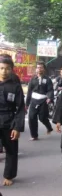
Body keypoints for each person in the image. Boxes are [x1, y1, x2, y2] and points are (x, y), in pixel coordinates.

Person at [0, 56, 25, 186]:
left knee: (11, 150)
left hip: (9, 121)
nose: (4, 71)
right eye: (2, 68)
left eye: (7, 69)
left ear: (12, 70)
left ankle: (9, 175)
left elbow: (20, 108)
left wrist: (17, 127)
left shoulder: (15, 87)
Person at [26, 61, 54, 141]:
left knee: (42, 118)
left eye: (41, 67)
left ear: (44, 69)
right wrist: (27, 104)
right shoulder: (32, 79)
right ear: (36, 69)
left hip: (43, 101)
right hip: (34, 101)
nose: (39, 69)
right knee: (31, 118)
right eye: (38, 67)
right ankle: (34, 135)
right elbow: (29, 92)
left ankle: (49, 127)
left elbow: (50, 90)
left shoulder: (48, 80)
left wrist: (49, 97)